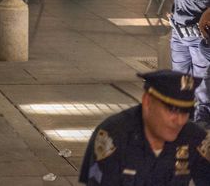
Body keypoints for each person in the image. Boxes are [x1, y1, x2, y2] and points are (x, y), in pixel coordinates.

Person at [79, 70, 210, 184]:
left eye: (186, 112)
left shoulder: (195, 138)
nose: (180, 121)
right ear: (147, 102)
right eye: (173, 110)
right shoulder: (113, 136)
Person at [174, 0, 210, 126]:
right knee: (181, 78)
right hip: (178, 33)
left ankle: (201, 121)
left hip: (198, 37)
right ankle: (182, 116)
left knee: (201, 82)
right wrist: (173, 11)